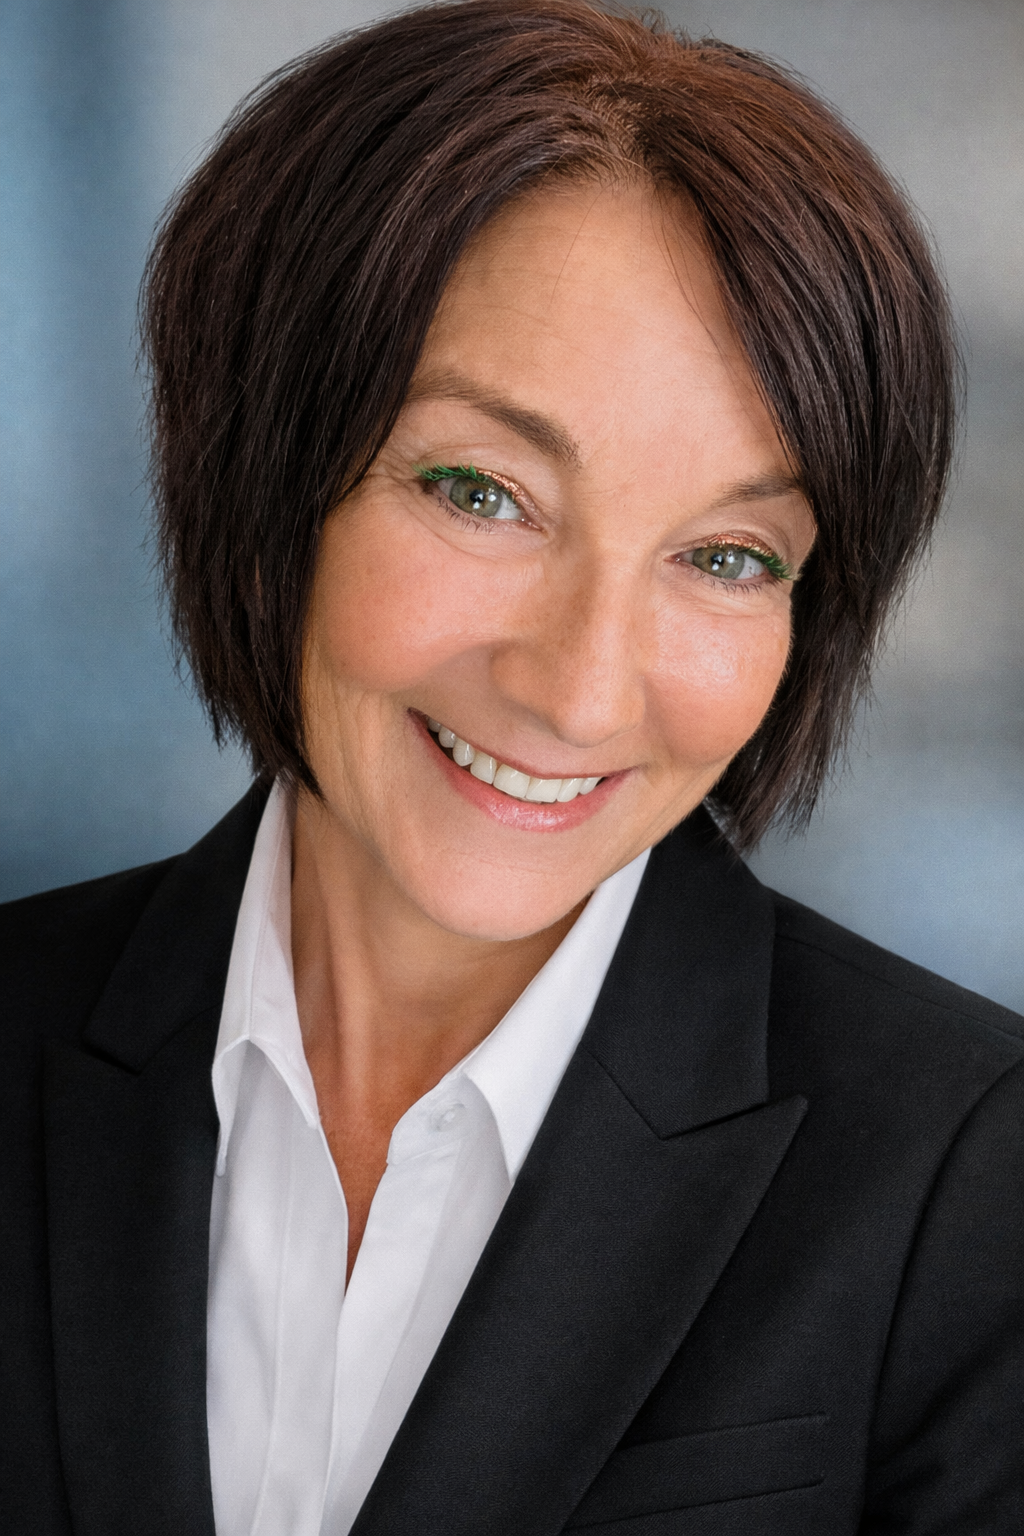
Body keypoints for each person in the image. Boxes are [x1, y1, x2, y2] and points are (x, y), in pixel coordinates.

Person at [2, 2, 1021, 1532]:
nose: (582, 688)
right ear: (261, 460)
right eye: (485, 492)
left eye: (727, 555)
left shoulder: (975, 1177)